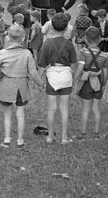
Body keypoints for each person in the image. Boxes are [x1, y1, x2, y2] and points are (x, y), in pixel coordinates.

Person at [0, 25, 44, 148]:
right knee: (20, 113)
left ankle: (7, 140)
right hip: (21, 88)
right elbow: (33, 73)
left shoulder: (2, 54)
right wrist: (41, 84)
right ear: (23, 38)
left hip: (7, 86)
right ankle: (20, 141)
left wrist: (0, 74)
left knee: (7, 114)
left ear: (7, 38)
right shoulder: (27, 53)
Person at [36, 13, 77, 145]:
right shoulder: (69, 44)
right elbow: (73, 64)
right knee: (64, 109)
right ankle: (64, 137)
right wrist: (73, 77)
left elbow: (41, 65)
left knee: (51, 108)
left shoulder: (47, 44)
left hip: (52, 75)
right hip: (65, 74)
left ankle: (50, 137)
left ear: (51, 27)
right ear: (66, 29)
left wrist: (39, 80)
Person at [73, 26, 108, 140]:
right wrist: (103, 84)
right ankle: (96, 134)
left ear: (86, 40)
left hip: (86, 82)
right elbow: (105, 72)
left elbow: (80, 68)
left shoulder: (83, 52)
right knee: (96, 108)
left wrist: (74, 80)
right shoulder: (104, 55)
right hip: (98, 83)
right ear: (99, 40)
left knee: (85, 109)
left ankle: (83, 134)